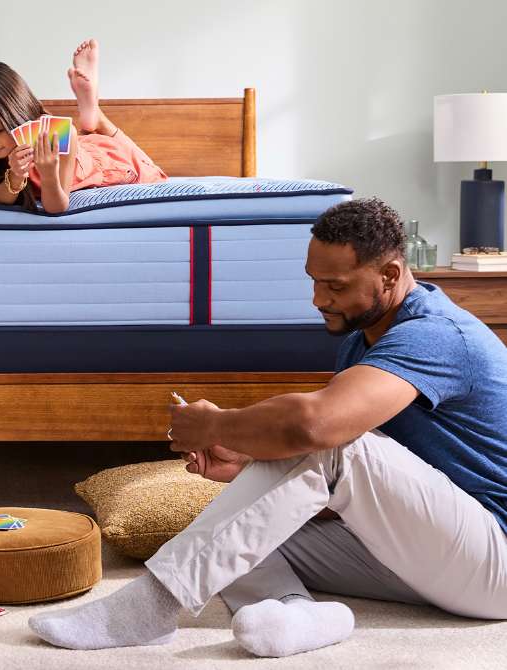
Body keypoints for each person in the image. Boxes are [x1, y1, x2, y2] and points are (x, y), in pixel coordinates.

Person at [29, 197, 507, 655]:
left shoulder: (437, 335)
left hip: (492, 559)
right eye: (314, 281)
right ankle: (295, 615)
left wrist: (216, 425)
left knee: (330, 439)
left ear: (390, 274)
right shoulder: (362, 342)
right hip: (425, 555)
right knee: (230, 530)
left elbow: (318, 430)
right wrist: (249, 467)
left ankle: (150, 608)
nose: (319, 299)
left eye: (336, 286)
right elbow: (355, 492)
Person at [0, 38, 167, 214]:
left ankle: (95, 116)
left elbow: (56, 207)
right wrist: (16, 177)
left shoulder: (58, 136)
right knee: (88, 138)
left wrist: (48, 174)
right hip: (79, 148)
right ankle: (92, 117)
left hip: (100, 163)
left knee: (153, 174)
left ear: (18, 116)